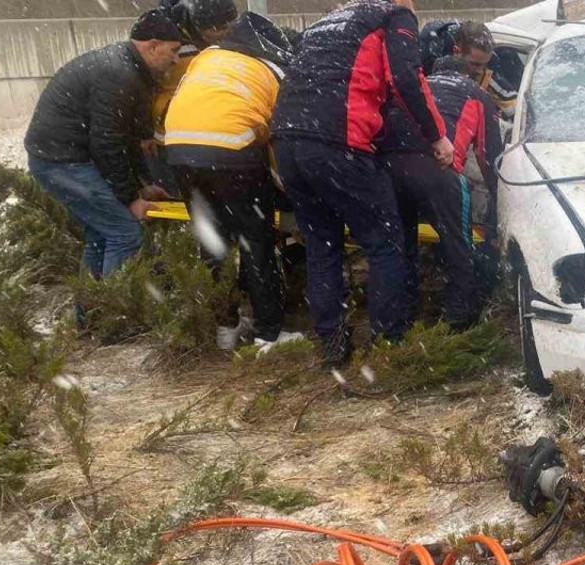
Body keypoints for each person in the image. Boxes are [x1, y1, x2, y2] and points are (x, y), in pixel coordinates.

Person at [272, 0, 454, 366]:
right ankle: (390, 342)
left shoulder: (328, 20)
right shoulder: (394, 16)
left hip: (287, 141)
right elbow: (406, 78)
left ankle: (332, 345)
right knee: (385, 241)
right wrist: (436, 136)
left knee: (322, 247)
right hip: (337, 140)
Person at [163, 12, 304, 352]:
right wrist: (289, 190)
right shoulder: (274, 71)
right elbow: (279, 139)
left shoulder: (208, 56)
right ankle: (268, 333)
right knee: (256, 242)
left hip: (180, 149)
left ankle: (224, 327)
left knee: (212, 242)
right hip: (232, 149)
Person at [25, 9, 182, 280]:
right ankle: (119, 315)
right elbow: (107, 143)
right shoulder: (120, 74)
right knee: (125, 233)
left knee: (101, 235)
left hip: (62, 157)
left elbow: (125, 138)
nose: (176, 58)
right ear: (152, 46)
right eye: (173, 50)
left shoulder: (129, 68)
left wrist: (141, 185)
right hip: (62, 162)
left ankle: (92, 315)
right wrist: (131, 199)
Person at [378, 55, 502, 330]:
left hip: (389, 167)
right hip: (437, 169)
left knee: (399, 246)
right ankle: (458, 320)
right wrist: (498, 203)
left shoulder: (419, 87)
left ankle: (399, 321)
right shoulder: (477, 95)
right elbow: (488, 156)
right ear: (468, 75)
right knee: (457, 246)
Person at [147, 0, 240, 190]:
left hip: (203, 128)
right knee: (176, 190)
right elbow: (142, 86)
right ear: (201, 25)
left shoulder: (202, 36)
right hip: (168, 131)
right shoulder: (168, 42)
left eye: (229, 27)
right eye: (220, 29)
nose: (224, 34)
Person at [418, 20, 518, 119]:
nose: (479, 71)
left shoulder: (486, 74)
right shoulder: (426, 67)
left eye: (484, 64)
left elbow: (516, 108)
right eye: (474, 64)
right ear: (456, 51)